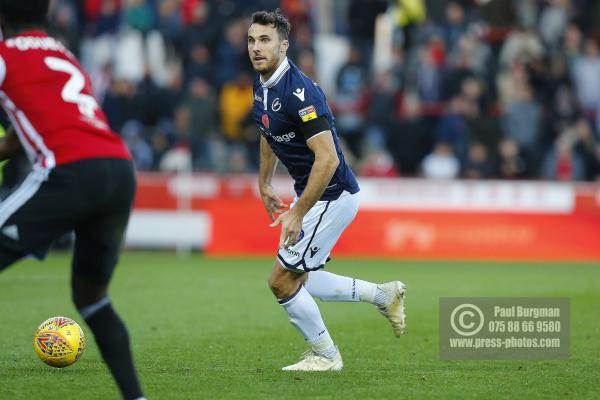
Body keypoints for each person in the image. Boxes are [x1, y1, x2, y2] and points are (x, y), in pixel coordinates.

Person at [248, 9, 407, 372]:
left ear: (283, 46)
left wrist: (298, 212)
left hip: (332, 195)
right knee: (301, 276)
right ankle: (382, 294)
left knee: (280, 281)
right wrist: (264, 182)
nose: (257, 48)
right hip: (319, 195)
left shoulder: (300, 92)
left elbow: (329, 160)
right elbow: (267, 129)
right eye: (252, 40)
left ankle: (326, 356)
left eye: (265, 40)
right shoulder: (263, 83)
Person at [0, 1, 145, 399]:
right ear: (46, 16)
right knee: (91, 298)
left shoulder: (5, 55)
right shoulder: (62, 53)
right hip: (118, 170)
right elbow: (16, 139)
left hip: (70, 171)